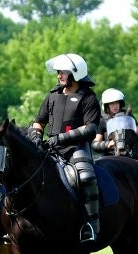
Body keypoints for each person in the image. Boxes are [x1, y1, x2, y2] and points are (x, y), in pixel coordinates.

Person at [30, 52, 101, 243]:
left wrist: (60, 138)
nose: (59, 76)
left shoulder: (88, 97)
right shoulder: (52, 96)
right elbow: (38, 122)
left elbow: (91, 128)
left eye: (63, 72)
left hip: (76, 149)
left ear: (75, 74)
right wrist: (36, 136)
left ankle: (91, 225)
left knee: (86, 177)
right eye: (58, 72)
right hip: (50, 148)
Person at [92, 87, 138, 164]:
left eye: (117, 103)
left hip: (133, 157)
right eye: (112, 103)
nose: (115, 106)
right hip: (111, 158)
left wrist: (134, 136)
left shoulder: (128, 116)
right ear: (106, 105)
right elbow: (95, 144)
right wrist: (108, 144)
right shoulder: (102, 121)